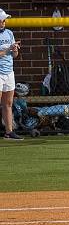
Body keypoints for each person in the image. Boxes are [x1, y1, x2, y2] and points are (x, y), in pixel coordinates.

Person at [0, 9, 22, 140]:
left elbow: (14, 55)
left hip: (9, 72)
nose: (3, 22)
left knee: (8, 104)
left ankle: (9, 132)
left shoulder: (9, 33)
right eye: (1, 20)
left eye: (4, 20)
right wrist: (7, 49)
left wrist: (14, 50)